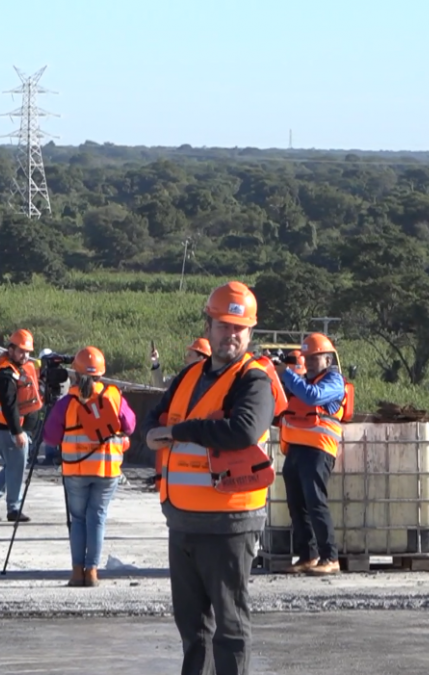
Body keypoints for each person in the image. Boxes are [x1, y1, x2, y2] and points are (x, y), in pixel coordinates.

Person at [144, 280, 276, 675]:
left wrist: (179, 432)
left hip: (229, 521)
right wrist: (154, 430)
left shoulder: (254, 380)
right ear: (209, 327)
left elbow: (242, 431)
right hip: (182, 518)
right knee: (192, 628)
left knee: (230, 626)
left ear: (250, 332)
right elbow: (157, 417)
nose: (230, 335)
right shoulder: (188, 376)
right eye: (223, 325)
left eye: (238, 328)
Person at [40, 346, 136, 587]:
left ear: (75, 373)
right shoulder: (114, 396)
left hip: (75, 470)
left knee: (78, 519)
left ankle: (76, 572)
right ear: (101, 374)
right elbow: (131, 426)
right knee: (97, 518)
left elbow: (50, 437)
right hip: (107, 471)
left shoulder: (67, 402)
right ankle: (92, 572)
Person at [277, 333, 350, 576]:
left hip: (319, 448)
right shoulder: (299, 381)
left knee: (315, 501)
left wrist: (285, 374)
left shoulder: (333, 380)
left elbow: (313, 397)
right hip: (297, 448)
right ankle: (308, 555)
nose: (307, 362)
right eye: (306, 357)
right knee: (297, 504)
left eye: (314, 358)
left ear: (328, 360)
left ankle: (330, 557)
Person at [0, 329, 42, 523]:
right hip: (9, 431)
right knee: (16, 468)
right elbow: (9, 406)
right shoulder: (6, 375)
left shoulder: (17, 368)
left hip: (12, 429)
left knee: (11, 467)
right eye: (21, 351)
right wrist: (18, 432)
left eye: (28, 352)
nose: (25, 355)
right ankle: (13, 509)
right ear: (11, 349)